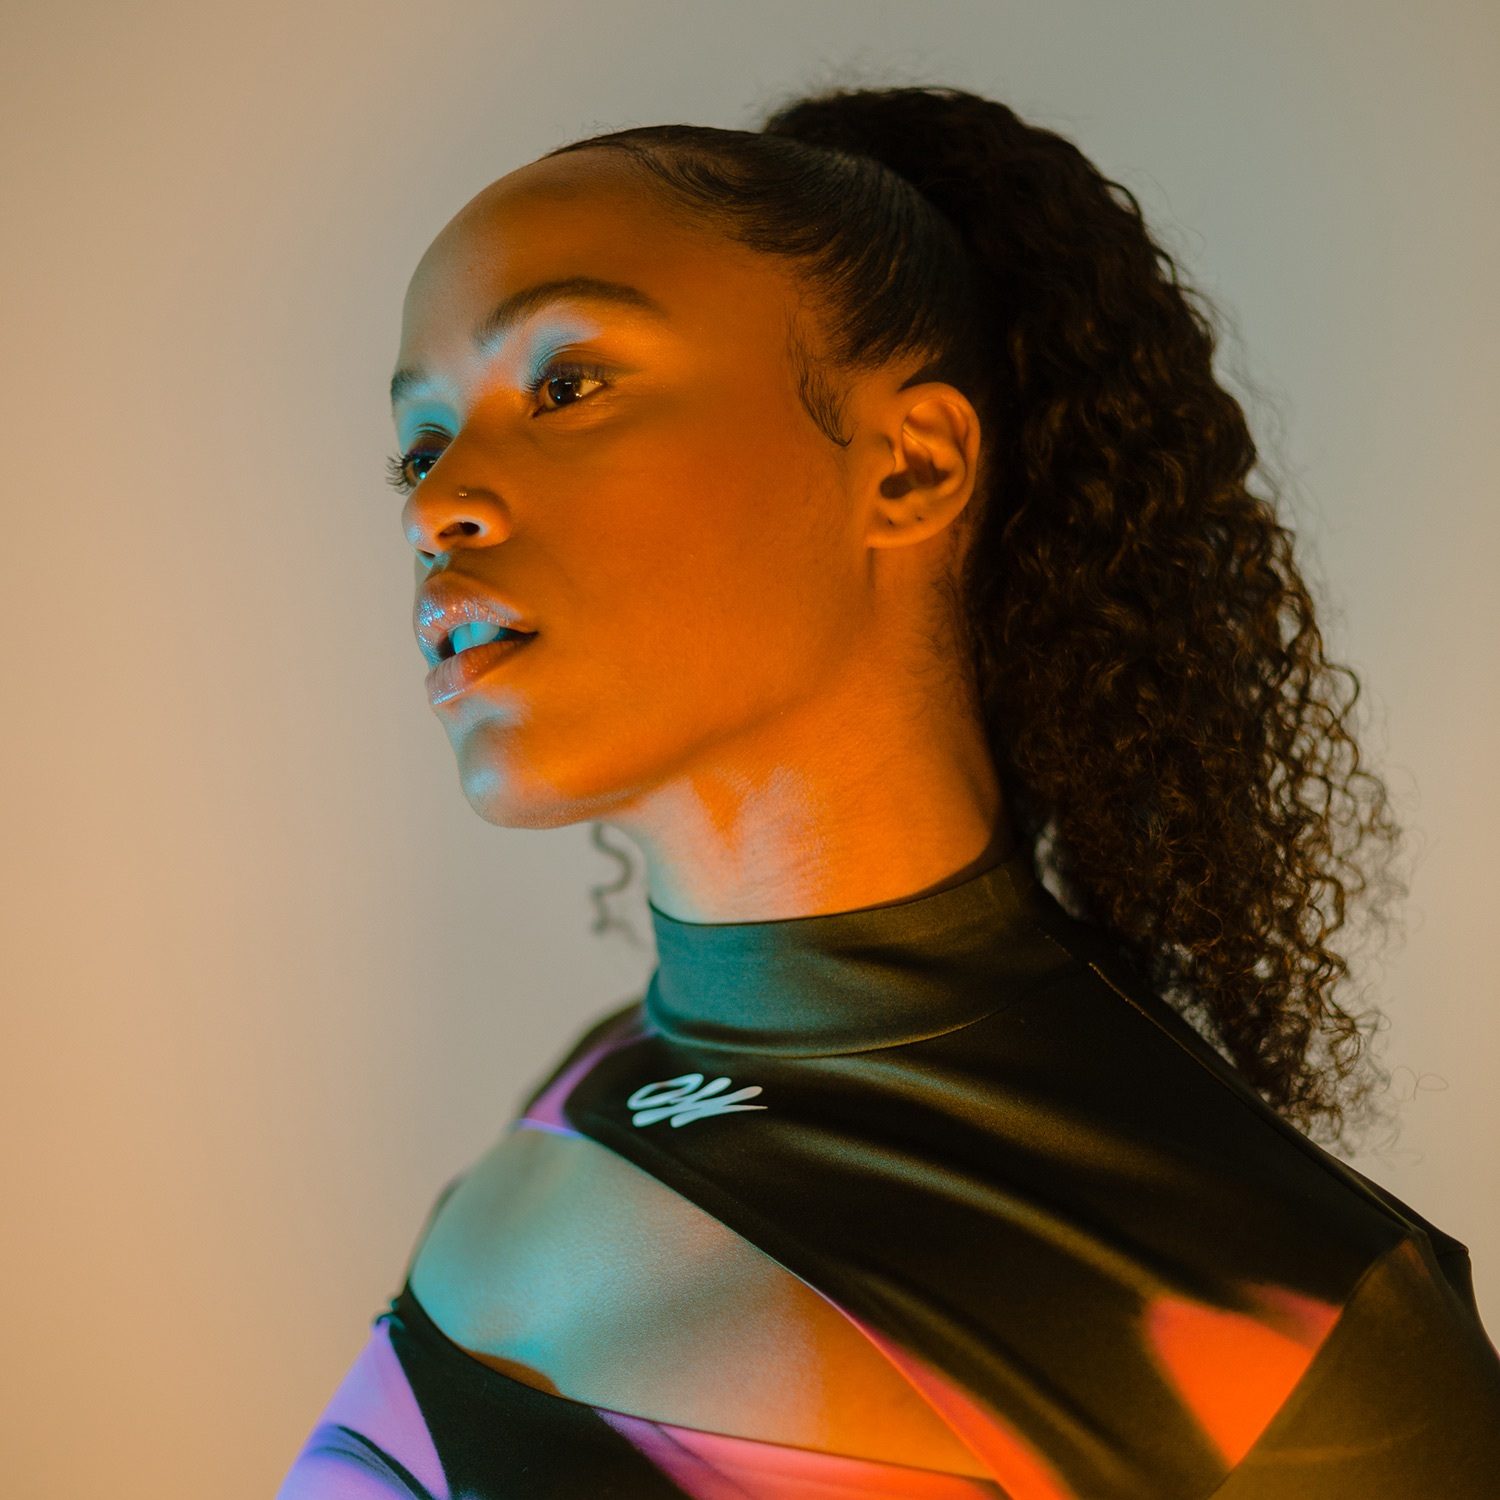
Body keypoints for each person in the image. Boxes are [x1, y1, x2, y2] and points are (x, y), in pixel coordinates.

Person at [276, 83, 1500, 1498]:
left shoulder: (1298, 1331)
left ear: (911, 464)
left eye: (566, 384)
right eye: (421, 446)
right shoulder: (587, 1090)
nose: (437, 506)